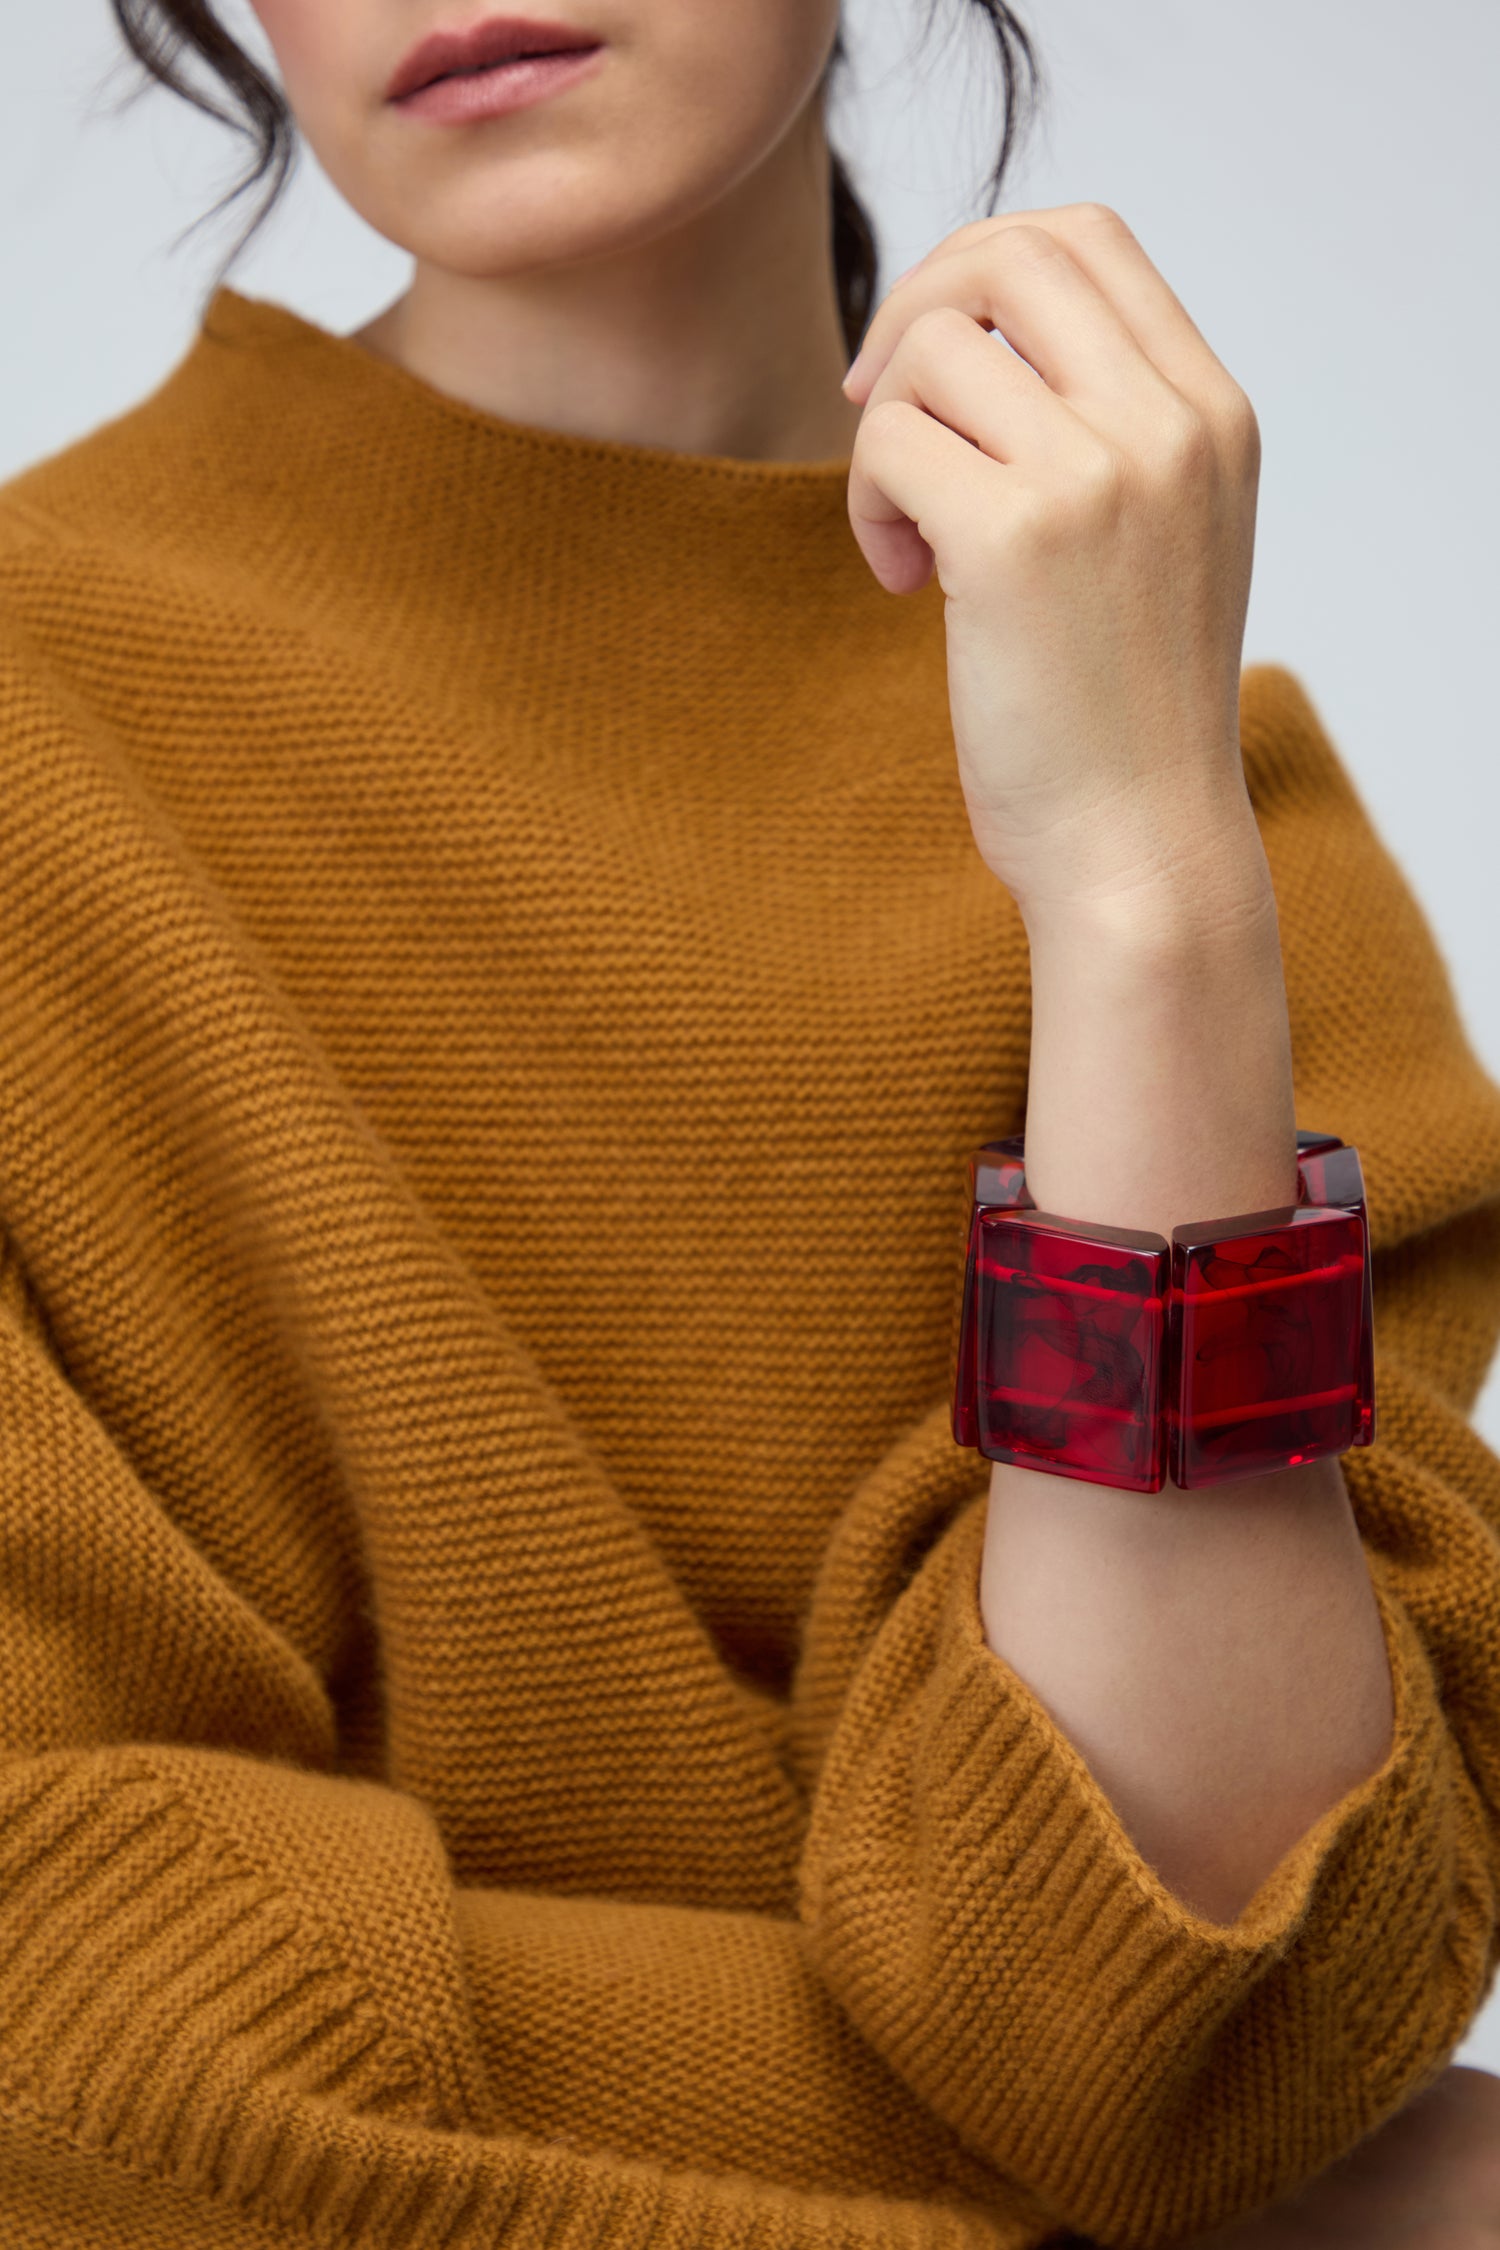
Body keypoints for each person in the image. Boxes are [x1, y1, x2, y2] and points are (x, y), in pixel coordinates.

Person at [0, 1, 1497, 2242]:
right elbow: (54, 1979)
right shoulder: (36, 723)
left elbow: (1164, 2014)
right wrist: (1333, 2206)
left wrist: (1136, 883)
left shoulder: (1203, 807)